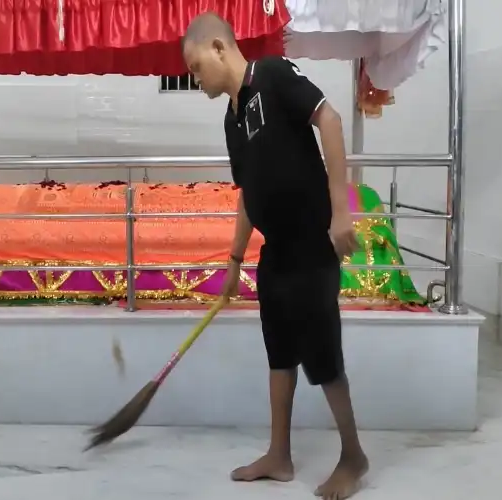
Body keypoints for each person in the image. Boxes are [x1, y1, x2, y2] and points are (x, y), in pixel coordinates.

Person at [181, 12, 369, 500]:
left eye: (196, 66)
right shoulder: (232, 117)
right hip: (275, 251)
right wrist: (234, 259)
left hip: (311, 242)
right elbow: (248, 193)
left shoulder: (273, 73)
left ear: (219, 48)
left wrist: (341, 211)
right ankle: (279, 455)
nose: (194, 77)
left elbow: (328, 117)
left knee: (322, 355)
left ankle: (353, 456)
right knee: (279, 353)